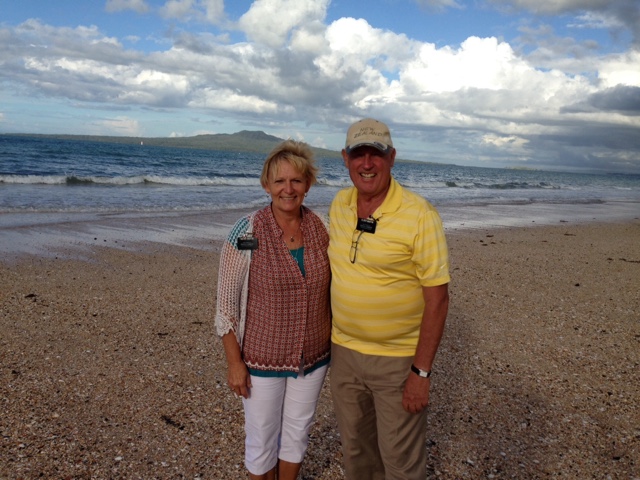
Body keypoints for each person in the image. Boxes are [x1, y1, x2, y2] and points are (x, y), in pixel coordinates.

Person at [328, 118, 450, 480]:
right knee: (357, 452)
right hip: (344, 354)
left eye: (376, 154)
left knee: (400, 462)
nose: (367, 164)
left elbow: (438, 299)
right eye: (358, 154)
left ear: (392, 157)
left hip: (397, 360)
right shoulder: (339, 204)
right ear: (345, 158)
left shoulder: (419, 215)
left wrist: (420, 373)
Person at [215, 140, 331, 480]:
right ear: (266, 185)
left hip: (314, 357)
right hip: (261, 359)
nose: (288, 189)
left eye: (296, 180)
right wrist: (234, 363)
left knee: (297, 435)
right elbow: (225, 307)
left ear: (308, 185)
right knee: (261, 440)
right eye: (279, 181)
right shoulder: (246, 230)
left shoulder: (323, 227)